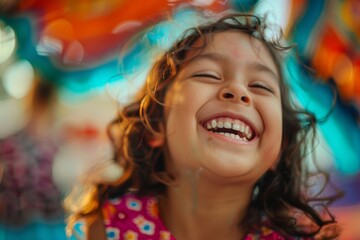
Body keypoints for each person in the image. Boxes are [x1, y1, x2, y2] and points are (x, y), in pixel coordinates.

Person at [65, 12, 341, 240]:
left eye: (260, 85)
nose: (237, 90)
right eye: (208, 74)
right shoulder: (111, 227)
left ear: (280, 148)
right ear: (155, 127)